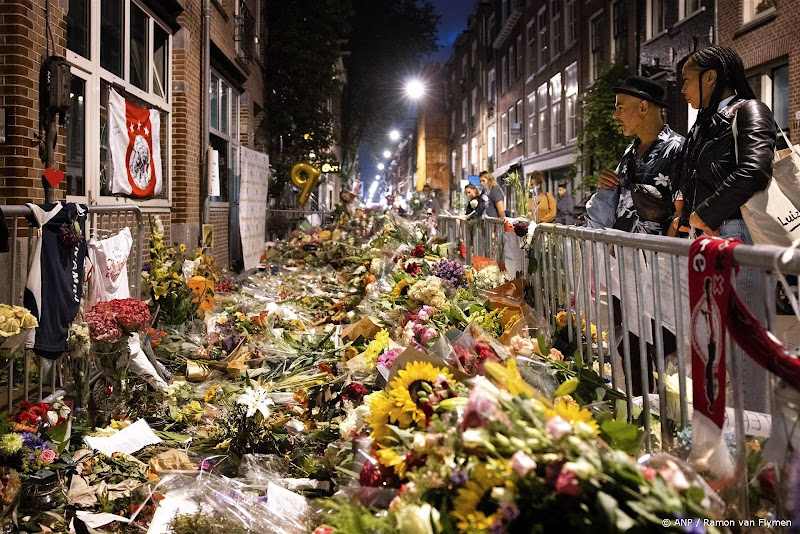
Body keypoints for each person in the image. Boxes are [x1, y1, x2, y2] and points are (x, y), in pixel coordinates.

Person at [678, 45, 777, 411]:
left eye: (687, 80)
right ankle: (722, 438)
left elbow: (755, 170)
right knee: (713, 341)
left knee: (745, 345)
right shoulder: (704, 125)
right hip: (711, 240)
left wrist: (703, 215)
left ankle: (753, 441)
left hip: (736, 236)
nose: (682, 89)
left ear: (711, 77)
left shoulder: (749, 111)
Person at [597, 75, 684, 395]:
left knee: (658, 347)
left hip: (657, 270)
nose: (616, 114)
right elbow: (623, 202)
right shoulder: (629, 151)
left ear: (644, 107)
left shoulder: (677, 150)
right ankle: (641, 413)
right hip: (626, 267)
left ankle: (666, 419)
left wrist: (667, 258)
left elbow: (683, 211)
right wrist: (607, 186)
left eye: (621, 107)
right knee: (628, 346)